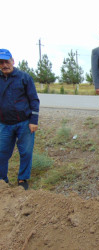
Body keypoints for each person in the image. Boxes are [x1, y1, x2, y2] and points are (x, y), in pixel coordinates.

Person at [0, 49, 40, 190]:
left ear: (13, 61)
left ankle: (22, 179)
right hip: (4, 124)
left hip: (24, 123)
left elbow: (34, 100)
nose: (4, 65)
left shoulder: (24, 77)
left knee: (26, 153)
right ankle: (2, 180)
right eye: (1, 62)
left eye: (7, 61)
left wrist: (34, 120)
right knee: (2, 153)